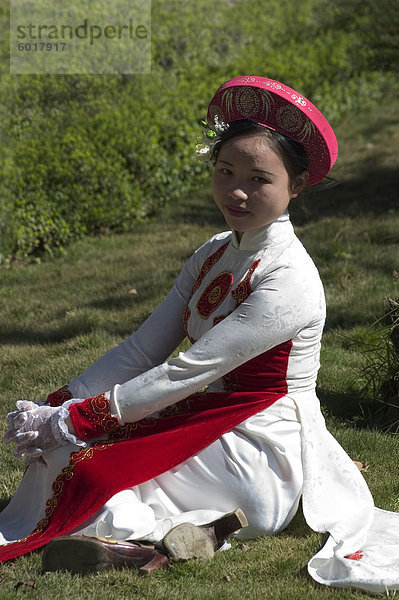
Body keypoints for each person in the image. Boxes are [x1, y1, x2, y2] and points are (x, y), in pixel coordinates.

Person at [2, 76, 399, 592]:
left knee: (89, 470)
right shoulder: (214, 251)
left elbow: (191, 370)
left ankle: (168, 536)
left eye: (259, 179)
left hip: (260, 443)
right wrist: (62, 401)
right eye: (225, 171)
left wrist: (78, 417)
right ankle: (160, 541)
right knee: (66, 456)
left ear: (295, 185)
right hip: (202, 411)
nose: (236, 190)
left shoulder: (290, 277)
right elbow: (145, 347)